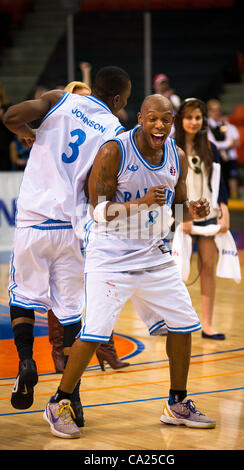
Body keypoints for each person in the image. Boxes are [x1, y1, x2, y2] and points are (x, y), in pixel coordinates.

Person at [43, 94, 216, 439]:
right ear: (140, 117)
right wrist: (138, 203)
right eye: (153, 119)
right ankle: (58, 401)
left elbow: (176, 209)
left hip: (154, 254)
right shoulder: (114, 151)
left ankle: (177, 403)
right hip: (110, 255)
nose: (159, 126)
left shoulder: (176, 156)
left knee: (184, 324)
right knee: (94, 333)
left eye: (165, 121)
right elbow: (97, 211)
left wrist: (192, 212)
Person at [3, 66, 131, 428]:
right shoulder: (115, 134)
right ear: (118, 99)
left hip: (33, 220)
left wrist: (27, 133)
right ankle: (70, 396)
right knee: (72, 313)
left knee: (24, 296)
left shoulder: (59, 99)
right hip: (72, 228)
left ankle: (27, 360)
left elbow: (10, 116)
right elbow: (100, 191)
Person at [47, 78, 130, 373]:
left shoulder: (106, 134)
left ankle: (104, 348)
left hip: (92, 218)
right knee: (63, 289)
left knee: (102, 285)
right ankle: (60, 352)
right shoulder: (59, 134)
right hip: (61, 217)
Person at [173, 98, 229, 339]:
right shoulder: (170, 148)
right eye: (189, 117)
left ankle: (207, 324)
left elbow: (220, 185)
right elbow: (169, 186)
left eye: (198, 117)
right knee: (175, 271)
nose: (194, 122)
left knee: (208, 267)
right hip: (180, 217)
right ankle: (172, 323)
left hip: (208, 216)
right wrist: (179, 217)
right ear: (180, 119)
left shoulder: (211, 149)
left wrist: (225, 213)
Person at [207, 99, 239, 199]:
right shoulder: (207, 125)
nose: (217, 113)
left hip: (225, 157)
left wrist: (225, 145)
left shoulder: (224, 125)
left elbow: (234, 141)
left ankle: (231, 195)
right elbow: (212, 143)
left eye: (218, 110)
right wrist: (227, 145)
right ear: (209, 112)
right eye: (214, 110)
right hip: (212, 156)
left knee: (229, 176)